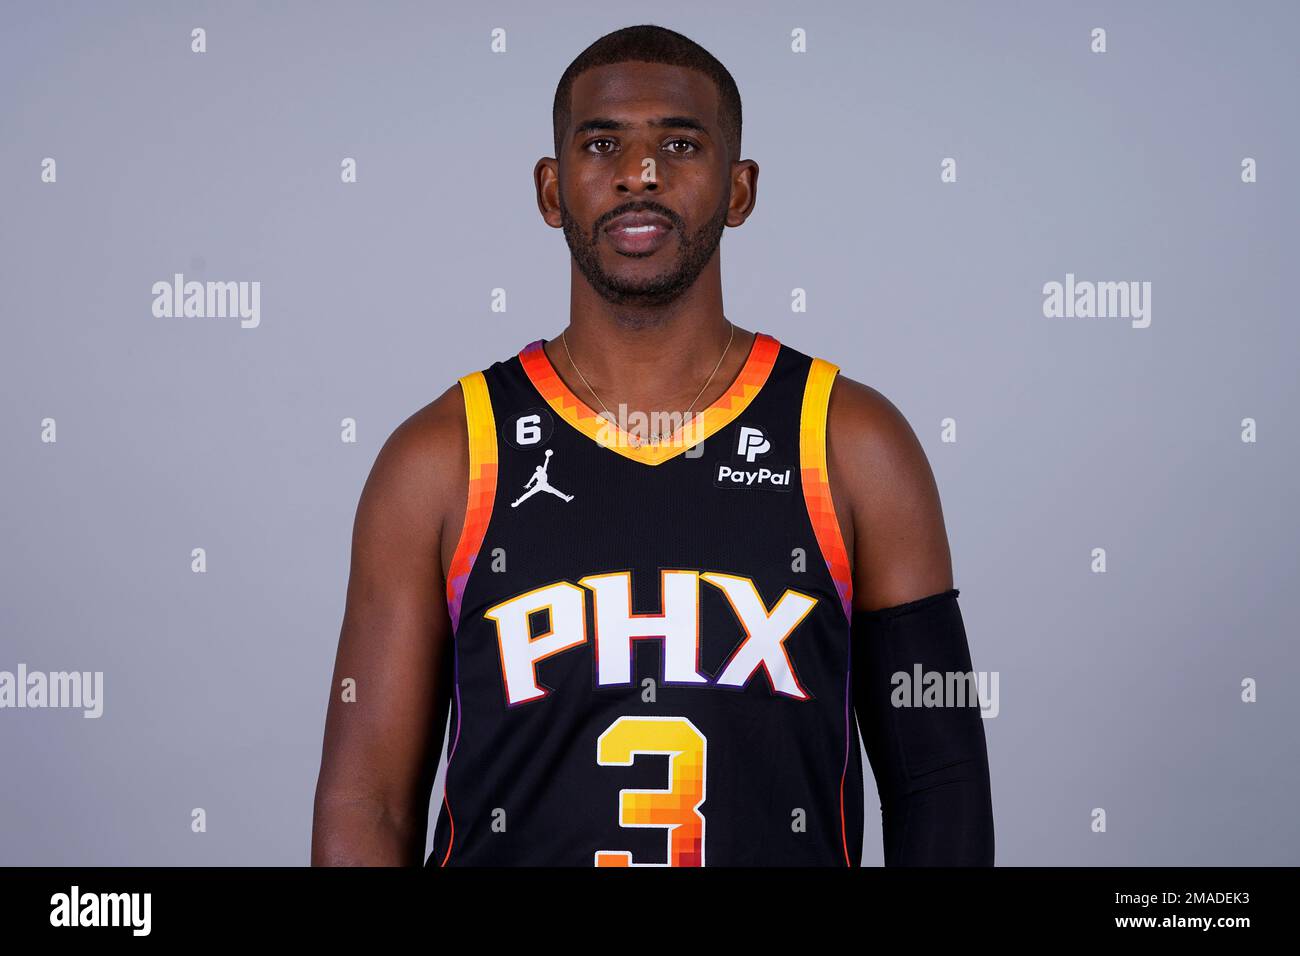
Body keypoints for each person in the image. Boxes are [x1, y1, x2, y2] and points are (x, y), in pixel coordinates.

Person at [312, 24, 993, 867]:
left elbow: (942, 782)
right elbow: (365, 800)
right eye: (603, 144)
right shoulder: (441, 457)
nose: (640, 174)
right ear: (552, 189)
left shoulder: (854, 442)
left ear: (739, 190)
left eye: (679, 143)